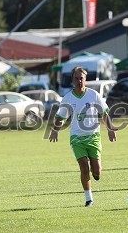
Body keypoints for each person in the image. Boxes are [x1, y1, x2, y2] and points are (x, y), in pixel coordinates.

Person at [49, 67, 117, 207]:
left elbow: (104, 113)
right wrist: (55, 130)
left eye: (81, 78)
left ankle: (96, 173)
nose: (79, 81)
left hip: (94, 137)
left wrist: (110, 129)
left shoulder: (94, 95)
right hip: (77, 138)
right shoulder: (68, 98)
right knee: (84, 168)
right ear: (72, 80)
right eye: (76, 78)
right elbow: (61, 117)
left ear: (85, 80)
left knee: (96, 171)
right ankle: (88, 199)